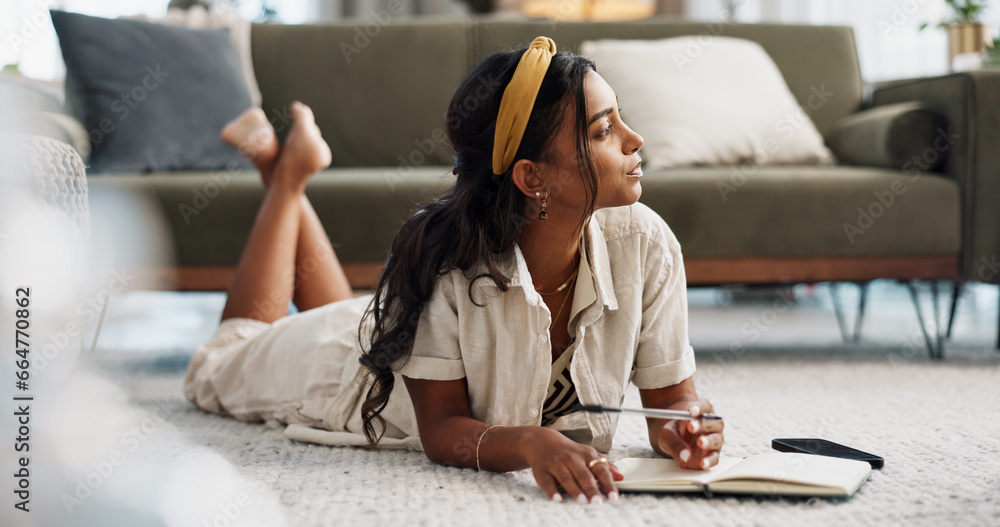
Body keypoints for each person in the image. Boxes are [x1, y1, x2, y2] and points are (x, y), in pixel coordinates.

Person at [185, 36, 724, 505]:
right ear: (533, 178)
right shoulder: (448, 266)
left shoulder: (645, 243)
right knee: (219, 359)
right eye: (603, 130)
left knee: (348, 312)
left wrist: (686, 426)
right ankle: (285, 177)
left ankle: (283, 166)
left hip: (391, 330)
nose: (635, 139)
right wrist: (530, 442)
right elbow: (441, 428)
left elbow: (670, 400)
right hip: (348, 377)